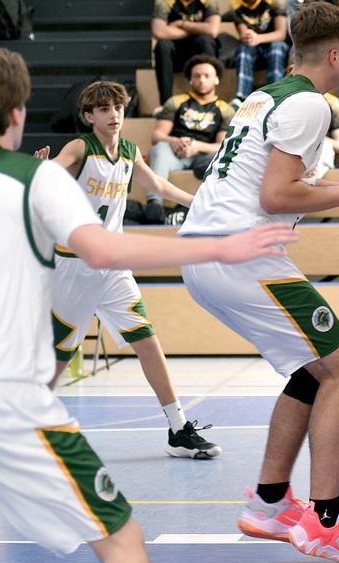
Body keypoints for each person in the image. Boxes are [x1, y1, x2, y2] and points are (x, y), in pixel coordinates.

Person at [0, 44, 298, 563]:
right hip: (3, 397)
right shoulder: (37, 177)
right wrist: (218, 246)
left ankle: (175, 421)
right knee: (121, 540)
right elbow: (102, 249)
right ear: (17, 113)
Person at [179, 3, 339, 563]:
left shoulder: (267, 96)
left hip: (207, 250)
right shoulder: (310, 104)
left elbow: (270, 177)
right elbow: (275, 195)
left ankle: (270, 502)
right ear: (335, 55)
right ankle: (323, 524)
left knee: (314, 369)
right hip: (242, 254)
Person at [35, 80, 222, 459]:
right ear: (89, 116)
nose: (113, 113)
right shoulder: (79, 147)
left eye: (117, 107)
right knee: (59, 355)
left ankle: (178, 428)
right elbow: (49, 175)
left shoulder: (129, 151)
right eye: (103, 108)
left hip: (113, 266)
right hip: (75, 264)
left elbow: (156, 184)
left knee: (147, 340)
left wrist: (197, 202)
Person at [147, 54, 234, 218]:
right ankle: (154, 203)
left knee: (221, 155)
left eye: (207, 76)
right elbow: (157, 135)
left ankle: (218, 206)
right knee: (159, 149)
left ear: (216, 79)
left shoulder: (225, 109)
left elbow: (222, 145)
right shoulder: (176, 101)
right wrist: (173, 141)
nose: (201, 80)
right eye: (197, 76)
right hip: (175, 153)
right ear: (190, 80)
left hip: (204, 155)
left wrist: (197, 146)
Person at [152, 0, 219, 105]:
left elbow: (212, 30)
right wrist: (197, 29)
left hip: (200, 52)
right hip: (176, 55)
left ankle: (209, 102)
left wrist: (181, 24)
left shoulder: (209, 1)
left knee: (205, 41)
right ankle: (166, 105)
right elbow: (159, 32)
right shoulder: (164, 2)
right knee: (163, 46)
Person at [230, 0, 289, 109]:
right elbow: (243, 35)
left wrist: (258, 38)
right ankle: (242, 97)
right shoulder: (236, 6)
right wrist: (248, 37)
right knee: (243, 47)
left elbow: (281, 34)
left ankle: (276, 94)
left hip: (274, 45)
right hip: (254, 48)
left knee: (277, 47)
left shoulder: (275, 3)